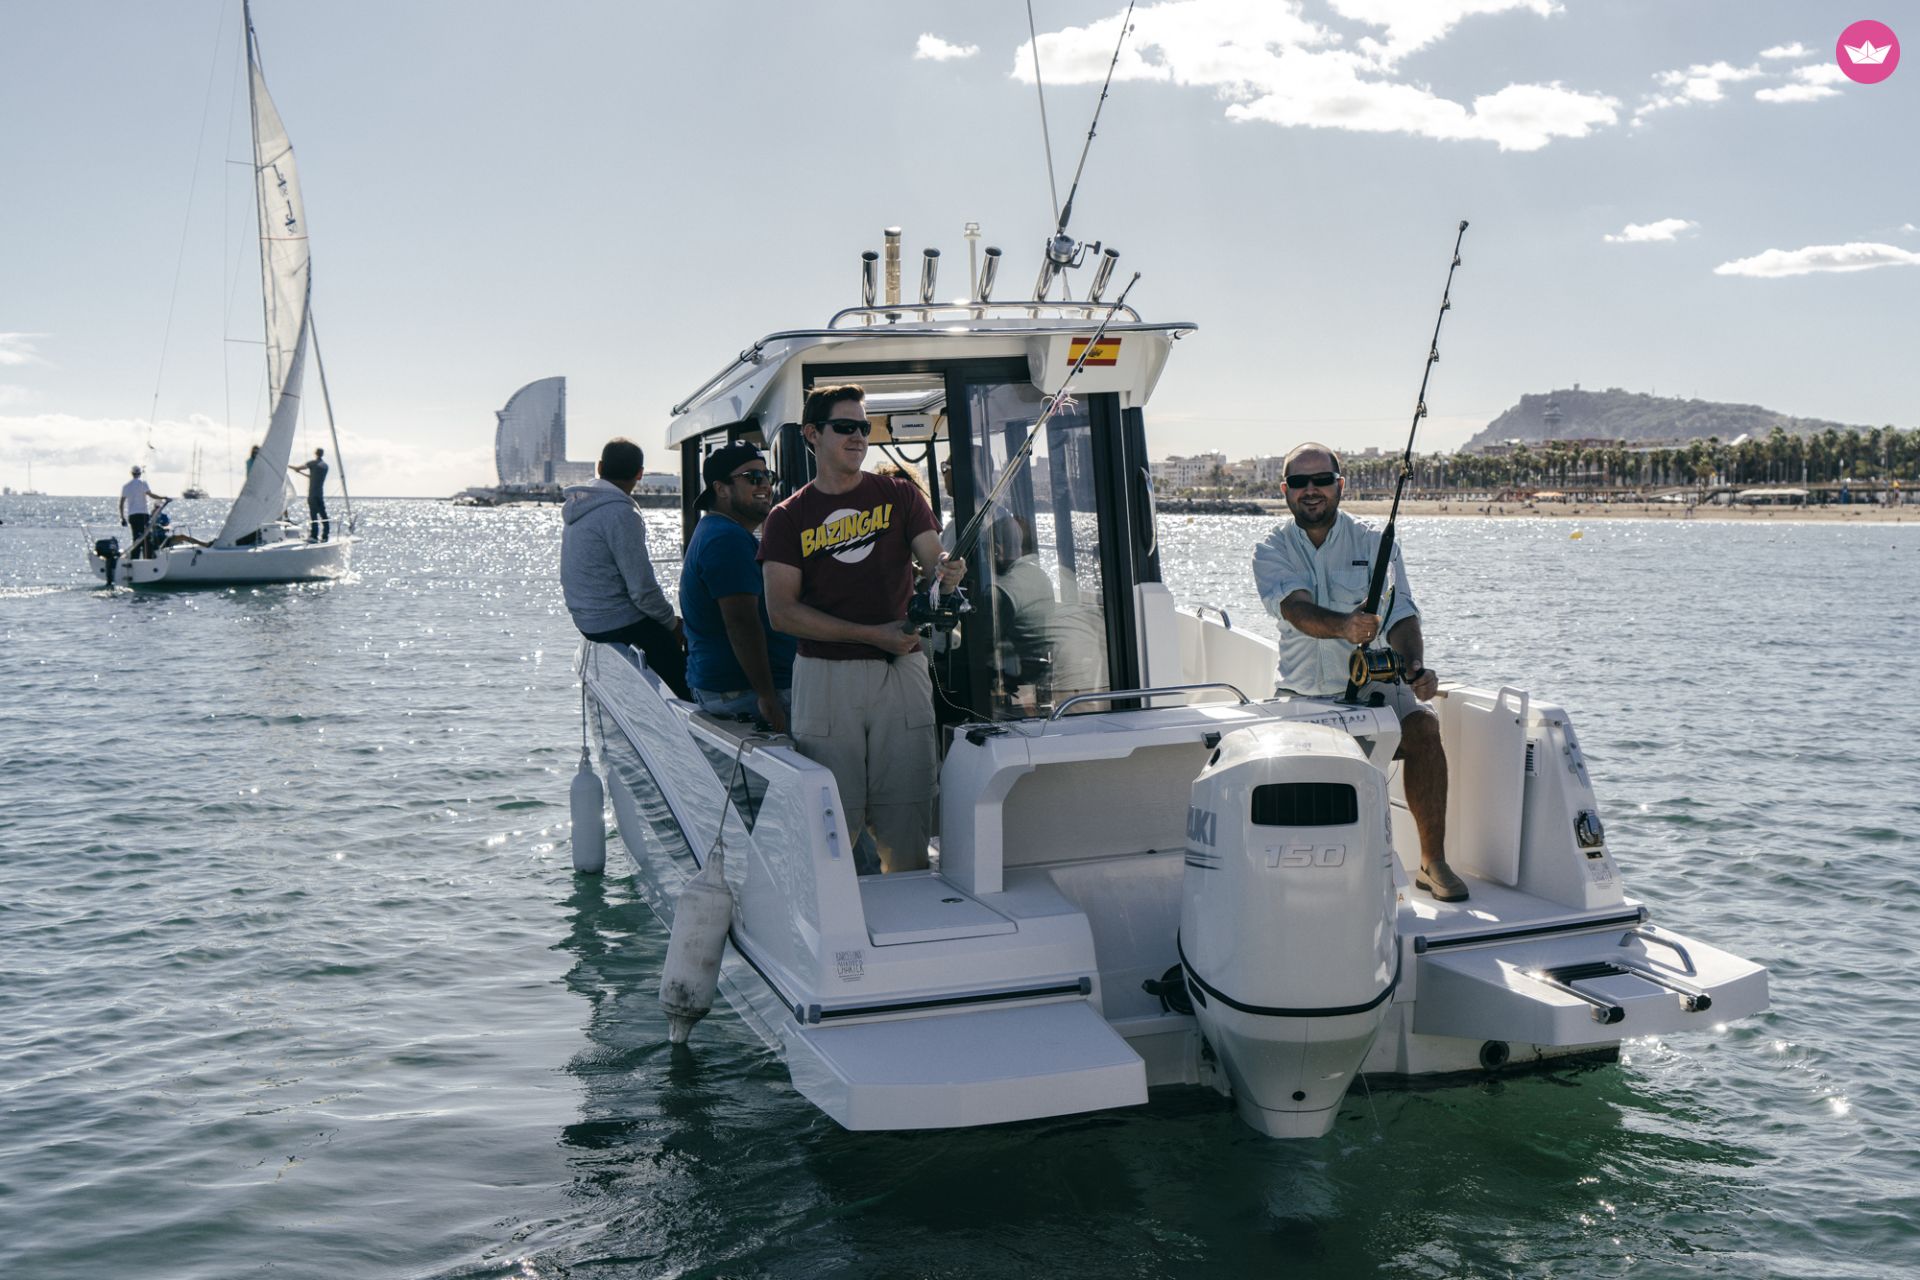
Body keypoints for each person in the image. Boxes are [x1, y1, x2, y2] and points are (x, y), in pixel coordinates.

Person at [760, 384, 965, 874]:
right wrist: (872, 635)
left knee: (907, 812)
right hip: (826, 680)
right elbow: (781, 613)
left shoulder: (899, 495)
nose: (858, 437)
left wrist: (946, 570)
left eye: (863, 427)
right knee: (830, 820)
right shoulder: (786, 519)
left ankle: (911, 926)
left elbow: (933, 554)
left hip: (902, 673)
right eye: (844, 426)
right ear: (812, 434)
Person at [1251, 443, 1469, 903]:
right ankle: (1306, 879)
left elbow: (1402, 614)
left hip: (1373, 687)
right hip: (1302, 695)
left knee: (1424, 728)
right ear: (1285, 491)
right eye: (1299, 482)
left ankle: (1433, 861)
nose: (1311, 491)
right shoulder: (1271, 548)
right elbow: (1296, 609)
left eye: (1322, 481)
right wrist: (1344, 626)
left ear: (1340, 485)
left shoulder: (1375, 541)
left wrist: (1413, 667)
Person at [561, 437, 691, 700]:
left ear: (599, 467)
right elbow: (642, 590)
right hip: (615, 623)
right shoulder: (622, 514)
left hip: (587, 621)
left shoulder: (579, 508)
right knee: (687, 659)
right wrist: (672, 623)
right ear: (640, 474)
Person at [679, 440, 795, 732]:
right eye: (753, 477)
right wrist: (768, 698)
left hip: (733, 691)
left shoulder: (719, 531)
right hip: (744, 695)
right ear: (721, 489)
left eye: (768, 476)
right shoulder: (725, 540)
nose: (765, 485)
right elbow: (741, 623)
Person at [118, 465, 167, 558]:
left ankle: (134, 559)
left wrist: (122, 517)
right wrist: (163, 497)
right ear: (140, 474)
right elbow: (151, 495)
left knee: (136, 537)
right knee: (146, 538)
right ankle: (147, 559)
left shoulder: (126, 486)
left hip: (132, 516)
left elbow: (121, 503)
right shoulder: (143, 483)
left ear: (131, 474)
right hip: (143, 515)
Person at [288, 447, 330, 541]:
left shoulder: (312, 463)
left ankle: (314, 536)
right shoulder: (325, 466)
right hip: (320, 494)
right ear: (322, 454)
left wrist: (288, 466)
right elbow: (312, 477)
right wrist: (300, 473)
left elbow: (298, 468)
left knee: (314, 516)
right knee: (324, 516)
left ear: (315, 453)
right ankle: (325, 535)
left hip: (312, 495)